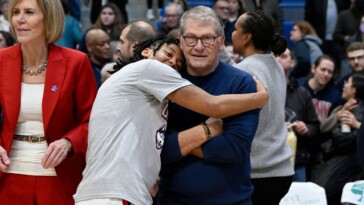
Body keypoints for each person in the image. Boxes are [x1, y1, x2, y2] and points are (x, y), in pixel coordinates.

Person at [74, 35, 268, 205]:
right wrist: (261, 97)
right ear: (146, 52)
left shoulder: (141, 91)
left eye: (179, 62)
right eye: (168, 54)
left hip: (114, 191)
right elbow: (212, 105)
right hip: (114, 193)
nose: (174, 62)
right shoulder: (148, 68)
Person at [159, 6, 261, 205]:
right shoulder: (163, 81)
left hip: (231, 201)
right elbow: (158, 150)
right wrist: (206, 130)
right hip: (172, 200)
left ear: (221, 42)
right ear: (180, 40)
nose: (198, 46)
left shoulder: (242, 83)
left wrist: (178, 139)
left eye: (207, 39)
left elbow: (234, 149)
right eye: (191, 38)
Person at [0, 0, 97, 204]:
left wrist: (68, 142)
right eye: (16, 12)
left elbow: (93, 122)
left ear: (49, 19)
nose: (20, 19)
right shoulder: (1, 60)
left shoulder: (76, 62)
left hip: (59, 176)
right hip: (8, 173)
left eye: (29, 12)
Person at [233, 10, 294, 204]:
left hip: (257, 173)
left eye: (235, 29)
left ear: (246, 37)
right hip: (282, 170)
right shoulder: (275, 64)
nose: (231, 34)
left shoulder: (244, 70)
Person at [312, 72, 364, 205]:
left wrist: (356, 126)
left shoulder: (355, 110)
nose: (343, 86)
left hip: (342, 165)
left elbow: (343, 138)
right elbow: (323, 127)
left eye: (347, 83)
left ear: (354, 89)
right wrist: (339, 114)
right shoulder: (343, 108)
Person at [277, 48, 320, 182]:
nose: (278, 59)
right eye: (275, 56)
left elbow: (315, 126)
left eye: (283, 56)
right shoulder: (260, 89)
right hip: (269, 161)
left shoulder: (302, 93)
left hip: (297, 161)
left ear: (292, 62)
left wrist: (305, 129)